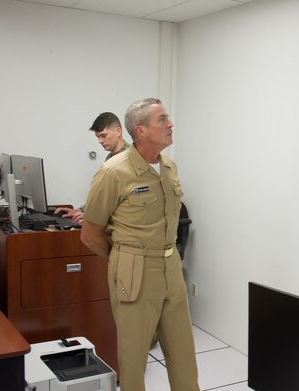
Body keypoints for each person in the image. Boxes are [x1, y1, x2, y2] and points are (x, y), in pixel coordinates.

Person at [80, 98, 200, 391]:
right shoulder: (114, 172)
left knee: (183, 352)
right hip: (134, 268)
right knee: (134, 359)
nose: (170, 124)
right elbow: (90, 233)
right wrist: (123, 260)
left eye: (168, 118)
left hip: (171, 265)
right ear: (141, 130)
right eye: (162, 119)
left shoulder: (169, 166)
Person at [55, 112, 131, 222]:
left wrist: (91, 216)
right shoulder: (112, 157)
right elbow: (105, 196)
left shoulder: (129, 158)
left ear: (118, 131)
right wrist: (80, 210)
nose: (100, 141)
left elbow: (123, 201)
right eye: (98, 137)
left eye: (104, 135)